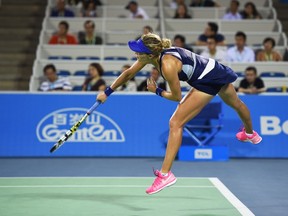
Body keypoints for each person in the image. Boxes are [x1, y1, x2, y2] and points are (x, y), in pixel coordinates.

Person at [96, 33, 262, 194]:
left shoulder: (167, 65)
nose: (135, 53)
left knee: (175, 123)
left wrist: (157, 91)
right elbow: (129, 73)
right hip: (215, 69)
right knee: (237, 104)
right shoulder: (153, 56)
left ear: (150, 54)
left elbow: (176, 96)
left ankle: (166, 174)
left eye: (139, 51)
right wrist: (108, 92)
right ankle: (250, 133)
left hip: (206, 80)